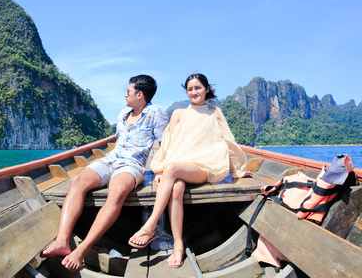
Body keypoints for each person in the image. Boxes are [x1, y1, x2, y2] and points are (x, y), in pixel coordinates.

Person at [42, 75, 168, 272]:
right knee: (78, 180)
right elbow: (117, 143)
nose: (125, 94)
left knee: (117, 190)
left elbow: (164, 144)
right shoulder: (123, 114)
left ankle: (82, 249)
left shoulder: (156, 113)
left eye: (128, 91)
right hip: (110, 159)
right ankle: (62, 240)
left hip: (132, 165)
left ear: (140, 94)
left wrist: (160, 170)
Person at [128, 73, 252, 268]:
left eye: (198, 87)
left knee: (173, 169)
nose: (194, 92)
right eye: (190, 89)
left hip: (204, 166)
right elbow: (168, 144)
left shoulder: (215, 112)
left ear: (207, 89)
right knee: (176, 188)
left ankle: (150, 225)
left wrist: (237, 170)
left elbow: (228, 140)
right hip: (178, 166)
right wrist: (160, 171)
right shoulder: (178, 114)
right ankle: (178, 245)